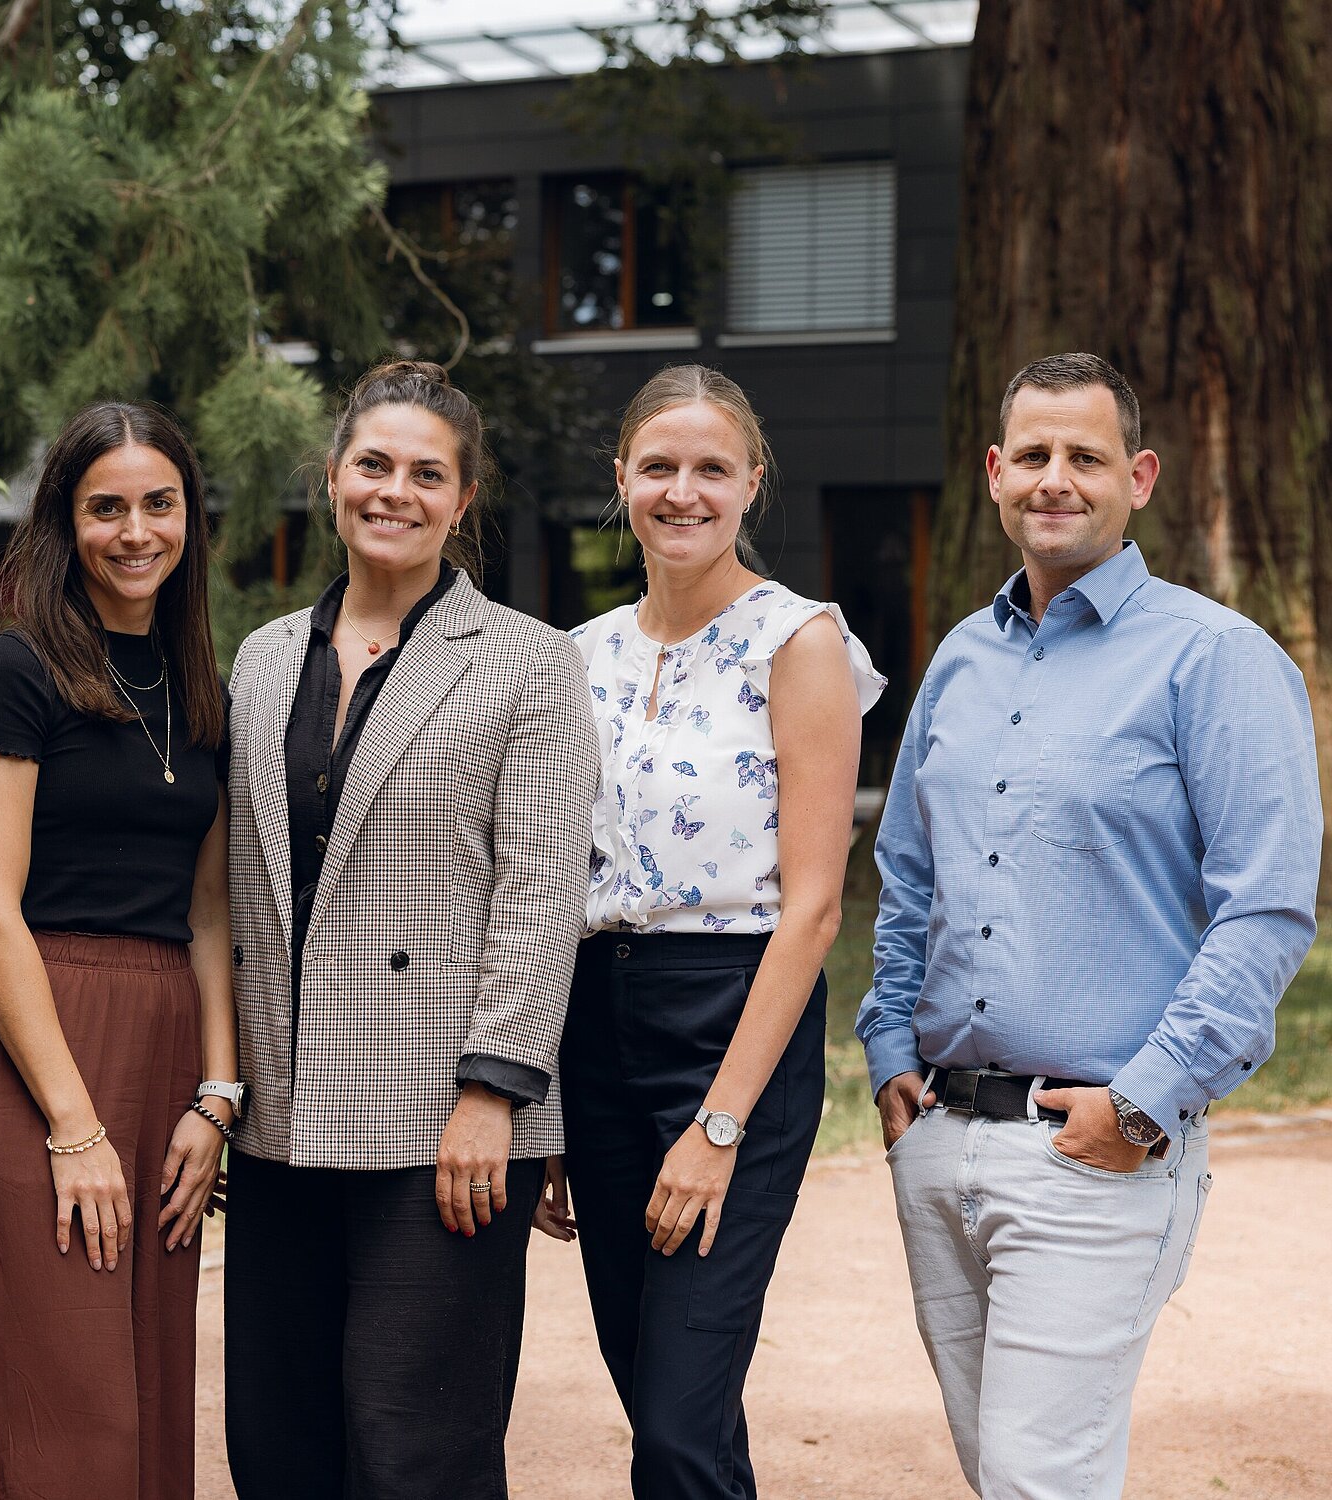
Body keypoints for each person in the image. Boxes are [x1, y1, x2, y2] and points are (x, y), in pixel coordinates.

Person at [858, 352, 1320, 1498]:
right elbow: (907, 876)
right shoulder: (959, 659)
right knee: (996, 1470)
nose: (1053, 479)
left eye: (1084, 456)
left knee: (1035, 1478)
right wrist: (883, 1059)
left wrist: (1144, 1103)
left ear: (1140, 477)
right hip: (939, 1141)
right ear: (992, 472)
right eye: (1032, 455)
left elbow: (1263, 906)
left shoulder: (1212, 657)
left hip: (1096, 1149)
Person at [223, 360, 597, 1500]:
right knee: (277, 1445)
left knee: (413, 1451)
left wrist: (494, 1096)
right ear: (332, 477)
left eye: (425, 474)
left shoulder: (530, 662)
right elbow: (241, 886)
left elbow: (541, 894)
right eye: (373, 465)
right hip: (281, 1117)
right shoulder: (260, 656)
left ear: (462, 497)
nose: (395, 491)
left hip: (442, 1124)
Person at [560, 365, 883, 1498]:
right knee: (648, 1379)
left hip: (733, 1022)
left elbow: (814, 908)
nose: (681, 492)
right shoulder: (577, 655)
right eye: (657, 467)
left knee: (675, 1426)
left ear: (751, 483)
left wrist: (718, 1123)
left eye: (709, 469)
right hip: (592, 1027)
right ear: (620, 481)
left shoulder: (798, 642)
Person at [0, 401, 233, 1500]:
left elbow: (208, 912)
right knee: (61, 1397)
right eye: (103, 507)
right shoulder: (12, 672)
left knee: (151, 1390)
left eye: (158, 504)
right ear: (66, 522)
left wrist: (216, 1098)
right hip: (38, 1043)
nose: (134, 530)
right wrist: (72, 1125)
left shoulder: (199, 683)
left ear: (188, 519)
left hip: (167, 1043)